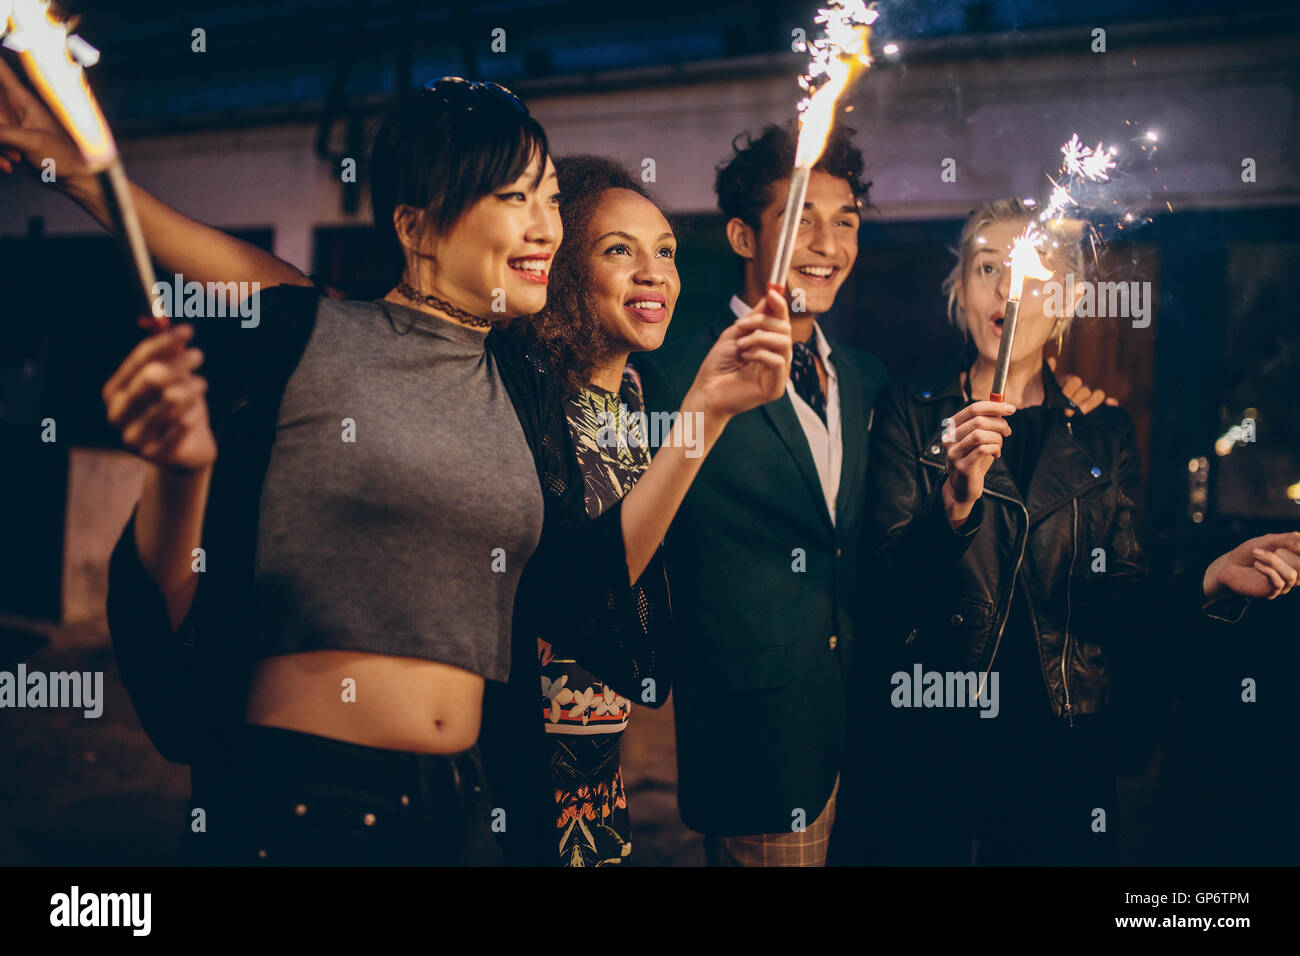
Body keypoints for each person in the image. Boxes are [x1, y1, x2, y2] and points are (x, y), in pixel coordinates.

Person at [2, 73, 793, 865]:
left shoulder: (519, 389)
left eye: (551, 198)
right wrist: (78, 174)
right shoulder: (314, 337)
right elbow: (253, 281)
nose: (547, 226)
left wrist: (703, 417)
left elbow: (577, 593)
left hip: (470, 803)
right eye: (516, 198)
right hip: (312, 800)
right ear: (417, 227)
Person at [864, 198, 1300, 865]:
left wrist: (1211, 580)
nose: (1006, 290)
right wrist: (954, 499)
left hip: (1058, 742)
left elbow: (1111, 601)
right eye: (987, 268)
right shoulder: (910, 410)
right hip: (933, 732)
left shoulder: (1103, 430)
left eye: (1029, 273)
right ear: (960, 288)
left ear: (1065, 298)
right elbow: (889, 585)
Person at [522, 154, 681, 865]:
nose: (654, 273)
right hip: (522, 772)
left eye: (666, 252)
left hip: (601, 779)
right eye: (620, 250)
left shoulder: (643, 397)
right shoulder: (526, 395)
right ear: (564, 270)